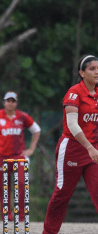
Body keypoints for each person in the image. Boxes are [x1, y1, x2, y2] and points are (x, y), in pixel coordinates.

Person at [42, 55, 98, 234]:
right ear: (82, 73)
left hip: (93, 151)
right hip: (72, 149)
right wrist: (89, 147)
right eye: (92, 68)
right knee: (61, 195)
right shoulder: (75, 92)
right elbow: (72, 125)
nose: (97, 72)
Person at [0, 91, 41, 222]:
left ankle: (21, 217)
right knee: (4, 188)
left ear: (16, 103)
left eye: (13, 101)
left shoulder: (22, 116)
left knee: (21, 185)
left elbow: (36, 130)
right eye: (8, 101)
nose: (10, 103)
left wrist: (31, 148)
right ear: (4, 102)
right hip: (1, 157)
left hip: (19, 156)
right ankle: (7, 216)